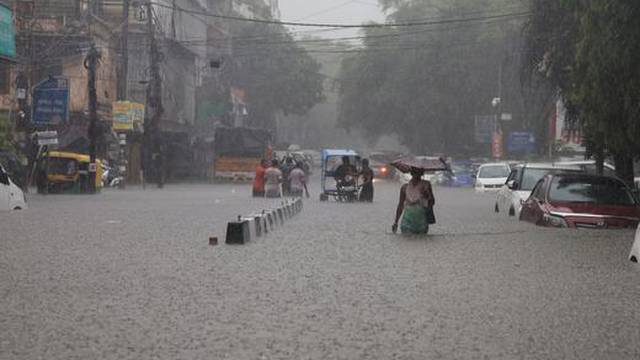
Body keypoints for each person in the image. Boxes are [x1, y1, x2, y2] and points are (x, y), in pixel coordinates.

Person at [392, 167, 435, 234]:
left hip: (422, 221)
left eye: (419, 172)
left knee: (422, 241)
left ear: (422, 173)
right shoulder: (404, 187)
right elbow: (400, 205)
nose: (417, 174)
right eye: (415, 172)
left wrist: (426, 195)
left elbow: (432, 202)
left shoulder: (426, 185)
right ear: (411, 173)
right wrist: (396, 222)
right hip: (407, 221)